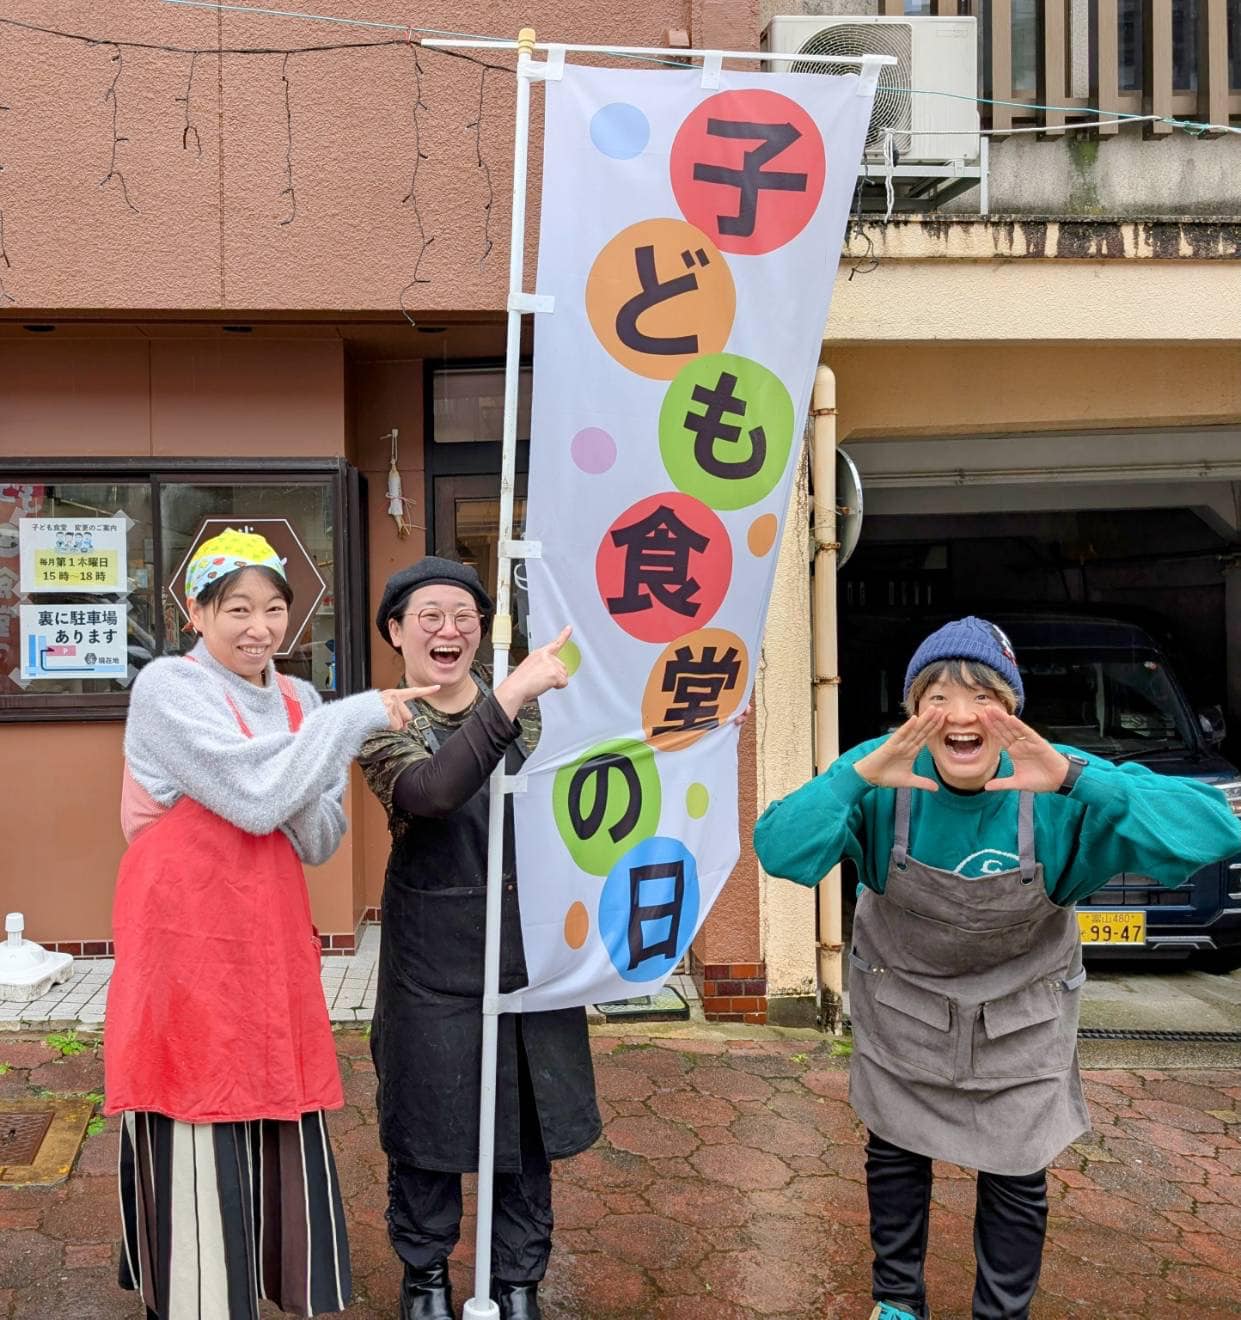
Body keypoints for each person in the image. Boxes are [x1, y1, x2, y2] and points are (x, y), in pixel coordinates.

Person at [754, 616, 1241, 1320]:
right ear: (913, 711)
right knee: (894, 1158)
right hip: (904, 1019)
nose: (959, 715)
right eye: (936, 696)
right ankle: (896, 1303)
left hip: (1021, 1029)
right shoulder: (880, 773)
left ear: (1010, 711)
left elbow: (1216, 828)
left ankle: (1000, 1312)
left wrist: (1079, 777)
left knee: (1015, 1177)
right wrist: (849, 777)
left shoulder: (1058, 784)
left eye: (982, 695)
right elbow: (777, 849)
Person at [104, 528, 435, 1320]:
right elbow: (256, 798)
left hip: (266, 929)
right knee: (188, 1081)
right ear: (197, 611)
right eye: (238, 609)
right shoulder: (167, 688)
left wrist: (302, 750)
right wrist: (342, 729)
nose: (259, 628)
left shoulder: (299, 701)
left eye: (275, 609)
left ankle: (265, 1273)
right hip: (180, 931)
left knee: (270, 1076)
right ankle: (189, 1292)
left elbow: (319, 836)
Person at [358, 556, 601, 1320]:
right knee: (428, 1121)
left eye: (463, 616)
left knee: (524, 1122)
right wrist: (511, 692)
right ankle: (425, 1275)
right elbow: (431, 793)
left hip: (528, 948)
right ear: (396, 631)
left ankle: (516, 1278)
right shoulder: (383, 719)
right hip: (432, 954)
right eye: (427, 615)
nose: (448, 630)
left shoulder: (535, 714)